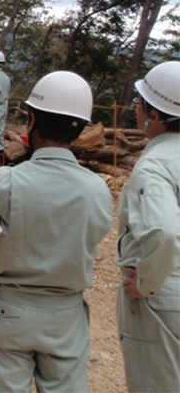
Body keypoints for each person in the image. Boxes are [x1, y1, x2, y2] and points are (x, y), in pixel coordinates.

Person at [0, 70, 112, 393]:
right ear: (80, 129)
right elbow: (96, 232)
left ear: (32, 122)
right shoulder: (97, 189)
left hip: (10, 309)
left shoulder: (7, 181)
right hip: (66, 314)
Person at [117, 61, 180, 393]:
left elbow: (164, 230)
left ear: (154, 115)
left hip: (165, 299)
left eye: (140, 105)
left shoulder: (154, 165)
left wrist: (148, 282)